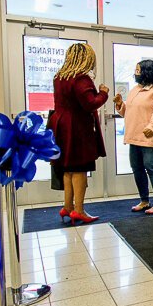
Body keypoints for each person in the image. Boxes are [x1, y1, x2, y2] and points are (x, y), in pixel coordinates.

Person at [47, 43, 109, 225]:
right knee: (80, 169)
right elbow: (90, 103)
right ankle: (79, 210)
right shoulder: (81, 79)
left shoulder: (59, 77)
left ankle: (67, 207)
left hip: (60, 127)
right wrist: (103, 94)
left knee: (67, 168)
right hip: (77, 129)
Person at [113, 60, 153, 214]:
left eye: (138, 70)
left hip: (150, 138)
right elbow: (129, 113)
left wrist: (151, 127)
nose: (135, 73)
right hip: (134, 137)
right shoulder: (134, 90)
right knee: (137, 169)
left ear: (147, 71)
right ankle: (144, 200)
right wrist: (120, 105)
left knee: (152, 168)